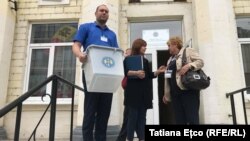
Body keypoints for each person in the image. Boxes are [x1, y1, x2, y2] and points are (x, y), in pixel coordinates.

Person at [72, 4, 119, 141]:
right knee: (90, 112)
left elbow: (115, 54)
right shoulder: (86, 27)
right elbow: (76, 45)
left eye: (106, 11)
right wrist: (80, 54)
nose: (104, 13)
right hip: (91, 75)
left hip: (108, 77)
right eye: (101, 11)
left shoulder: (112, 34)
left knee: (104, 114)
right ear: (96, 13)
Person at [124, 38, 165, 141]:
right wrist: (136, 73)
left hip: (144, 94)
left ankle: (142, 138)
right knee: (132, 119)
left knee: (142, 118)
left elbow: (149, 75)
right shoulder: (128, 59)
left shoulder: (145, 60)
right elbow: (125, 72)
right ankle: (130, 139)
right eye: (143, 45)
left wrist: (158, 72)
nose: (145, 47)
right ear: (138, 46)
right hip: (133, 94)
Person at [162, 36, 204, 124]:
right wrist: (166, 94)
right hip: (175, 94)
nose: (168, 48)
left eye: (169, 46)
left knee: (192, 119)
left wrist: (189, 65)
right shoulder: (170, 60)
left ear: (175, 44)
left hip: (188, 92)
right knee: (179, 120)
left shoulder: (188, 51)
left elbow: (200, 62)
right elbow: (168, 78)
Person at [116, 48, 132, 141]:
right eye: (125, 52)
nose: (126, 54)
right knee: (127, 117)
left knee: (130, 117)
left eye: (127, 52)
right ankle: (121, 138)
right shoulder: (124, 62)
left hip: (132, 92)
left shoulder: (133, 61)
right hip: (128, 92)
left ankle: (121, 138)